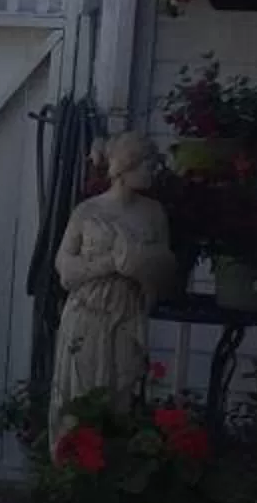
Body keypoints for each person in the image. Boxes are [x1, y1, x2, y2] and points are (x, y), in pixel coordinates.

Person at [48, 131, 179, 438]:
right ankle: (73, 459)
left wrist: (140, 262)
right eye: (147, 164)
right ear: (126, 166)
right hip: (87, 313)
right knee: (78, 395)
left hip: (127, 312)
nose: (152, 171)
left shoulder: (153, 213)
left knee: (121, 392)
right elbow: (64, 268)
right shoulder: (88, 211)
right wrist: (109, 262)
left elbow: (167, 267)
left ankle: (111, 460)